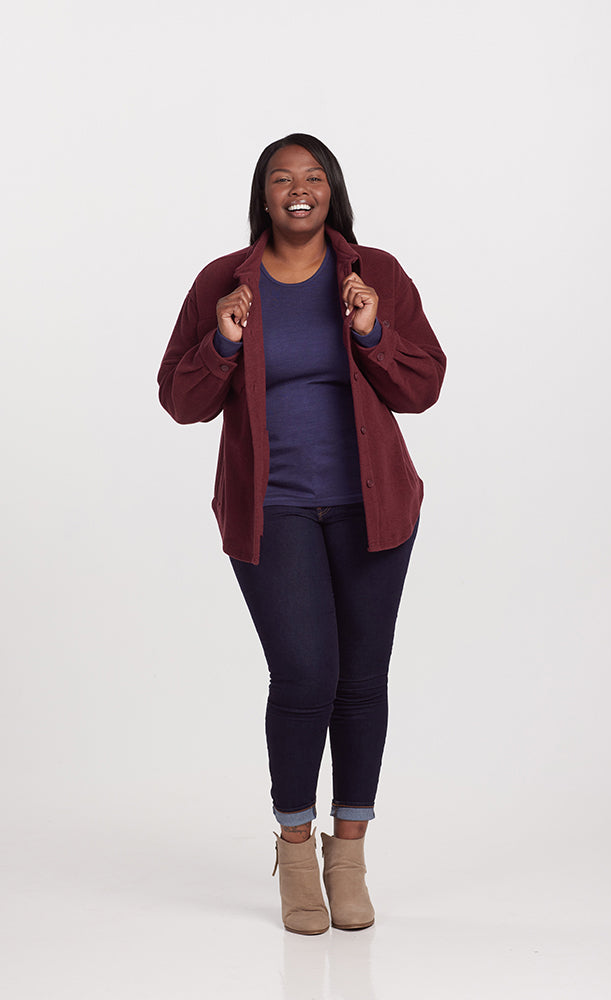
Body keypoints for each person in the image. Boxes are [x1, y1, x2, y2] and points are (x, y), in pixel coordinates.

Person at [158, 134, 446, 935]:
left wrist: (372, 331)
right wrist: (222, 341)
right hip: (272, 508)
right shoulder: (223, 282)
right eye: (282, 177)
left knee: (361, 681)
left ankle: (347, 858)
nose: (298, 188)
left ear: (331, 191)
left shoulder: (375, 274)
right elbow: (180, 400)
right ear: (264, 194)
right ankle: (294, 851)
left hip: (373, 507)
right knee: (304, 676)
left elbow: (424, 383)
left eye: (313, 176)